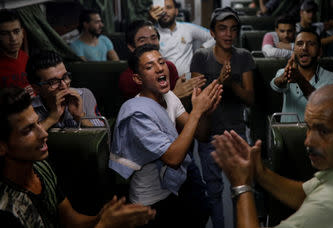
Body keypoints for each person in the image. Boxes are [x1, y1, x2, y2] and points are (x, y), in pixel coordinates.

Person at [211, 84, 333, 228]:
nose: (308, 141)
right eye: (308, 127)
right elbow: (307, 193)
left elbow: (324, 202)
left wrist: (241, 186)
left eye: (323, 131)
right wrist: (259, 172)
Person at [0, 87, 155, 228]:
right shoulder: (6, 208)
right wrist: (104, 225)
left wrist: (103, 216)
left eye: (38, 123)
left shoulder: (41, 168)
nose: (44, 133)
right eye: (28, 130)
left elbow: (70, 220)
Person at [109, 44, 222, 228]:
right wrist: (196, 113)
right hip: (150, 202)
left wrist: (205, 114)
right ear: (138, 78)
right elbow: (173, 158)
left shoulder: (169, 97)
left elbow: (201, 135)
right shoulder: (137, 114)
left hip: (174, 190)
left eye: (161, 62)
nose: (160, 68)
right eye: (149, 66)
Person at [191, 7, 255, 228]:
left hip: (236, 132)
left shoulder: (244, 57)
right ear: (212, 33)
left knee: (242, 187)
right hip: (209, 132)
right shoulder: (201, 57)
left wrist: (231, 84)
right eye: (222, 29)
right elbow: (199, 101)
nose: (228, 34)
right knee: (213, 189)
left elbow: (250, 99)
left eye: (233, 29)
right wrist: (218, 81)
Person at [119, 20, 206, 101]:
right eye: (142, 40)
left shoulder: (169, 67)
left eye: (153, 38)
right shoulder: (128, 79)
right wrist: (175, 95)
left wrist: (189, 84)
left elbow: (179, 109)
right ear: (131, 47)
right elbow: (144, 112)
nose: (150, 43)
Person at [270, 28, 333, 122]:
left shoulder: (330, 77)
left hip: (316, 133)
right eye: (300, 44)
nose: (304, 48)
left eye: (311, 44)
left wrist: (300, 79)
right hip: (288, 133)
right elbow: (275, 85)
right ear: (294, 50)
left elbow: (320, 103)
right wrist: (283, 78)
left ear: (320, 51)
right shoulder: (285, 72)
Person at [26, 51, 102, 130]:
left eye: (65, 76)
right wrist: (51, 119)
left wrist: (80, 116)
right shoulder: (29, 109)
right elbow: (23, 141)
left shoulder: (84, 95)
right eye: (53, 82)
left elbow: (104, 135)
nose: (64, 85)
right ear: (36, 88)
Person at [148, 0, 215, 75]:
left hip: (189, 80)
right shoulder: (152, 34)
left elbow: (214, 36)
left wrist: (202, 50)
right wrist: (150, 21)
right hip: (166, 82)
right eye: (161, 8)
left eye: (168, 7)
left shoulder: (187, 28)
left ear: (176, 11)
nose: (164, 11)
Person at [0, 9, 33, 95]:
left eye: (16, 31)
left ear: (22, 33)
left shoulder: (27, 58)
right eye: (5, 33)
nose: (13, 39)